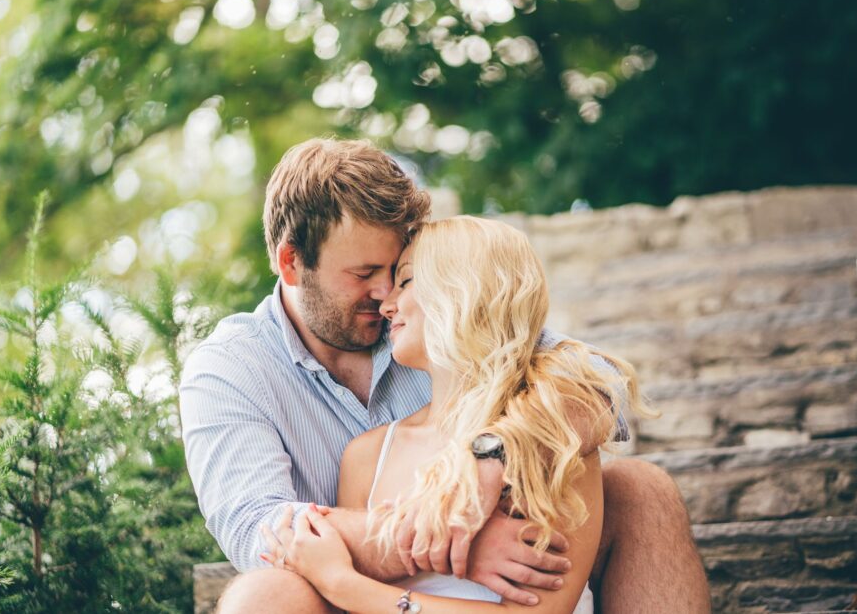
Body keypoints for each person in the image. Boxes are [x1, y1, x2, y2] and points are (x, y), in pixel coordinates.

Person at [179, 138, 711, 613]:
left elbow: (601, 387)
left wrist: (491, 458)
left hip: (516, 569)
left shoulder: (442, 326)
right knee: (263, 592)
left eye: (398, 272)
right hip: (341, 588)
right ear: (291, 262)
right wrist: (455, 542)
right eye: (364, 274)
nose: (387, 295)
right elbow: (263, 530)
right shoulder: (229, 369)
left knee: (641, 488)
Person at [262, 215, 640, 613]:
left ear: (462, 290)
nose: (386, 304)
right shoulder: (367, 454)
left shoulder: (553, 439)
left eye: (405, 281)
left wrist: (344, 584)